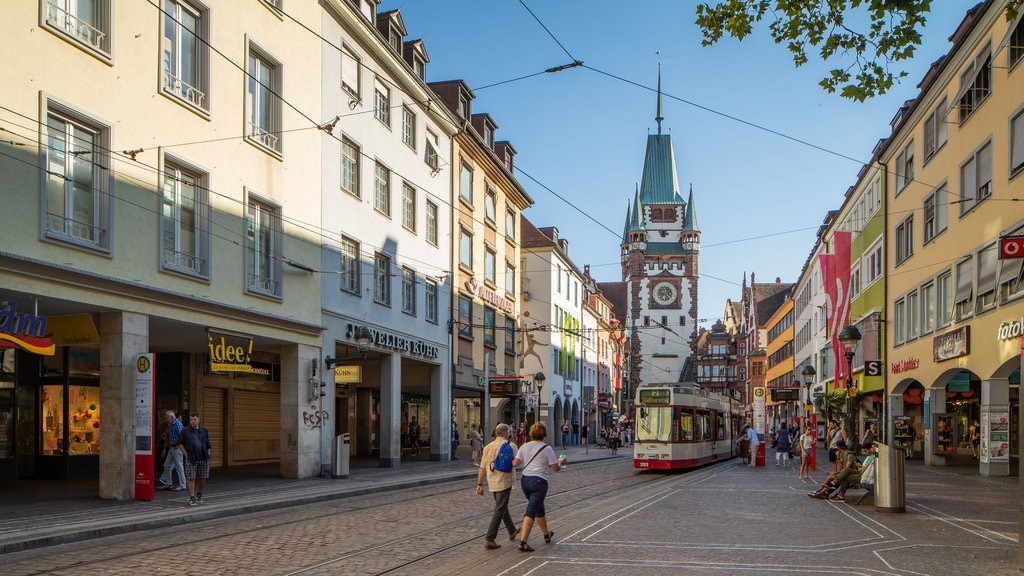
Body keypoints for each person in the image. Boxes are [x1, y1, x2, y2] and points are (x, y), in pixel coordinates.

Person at [512, 421, 566, 552]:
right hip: (539, 482)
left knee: (538, 508)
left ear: (531, 433)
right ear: (544, 434)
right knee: (531, 511)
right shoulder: (547, 448)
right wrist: (562, 463)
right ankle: (523, 543)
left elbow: (515, 463)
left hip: (525, 481)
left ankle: (546, 535)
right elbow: (555, 468)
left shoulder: (524, 446)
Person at [475, 423, 520, 550]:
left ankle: (512, 531)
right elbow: (517, 462)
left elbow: (482, 467)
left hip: (492, 481)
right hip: (505, 481)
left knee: (502, 506)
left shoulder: (488, 447)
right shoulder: (511, 445)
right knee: (500, 508)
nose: (510, 433)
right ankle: (490, 538)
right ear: (506, 433)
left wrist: (479, 484)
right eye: (509, 432)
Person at [180, 413, 211, 506]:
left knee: (203, 477)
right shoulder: (185, 431)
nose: (193, 421)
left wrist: (208, 456)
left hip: (203, 457)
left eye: (194, 419)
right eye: (191, 420)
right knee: (191, 478)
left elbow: (208, 445)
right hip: (191, 458)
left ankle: (199, 494)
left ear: (198, 420)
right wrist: (186, 455)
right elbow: (180, 444)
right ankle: (192, 497)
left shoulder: (204, 431)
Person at [159, 410, 185, 491]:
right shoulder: (171, 425)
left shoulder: (177, 424)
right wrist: (165, 448)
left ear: (171, 417)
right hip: (172, 448)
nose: (166, 419)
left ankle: (182, 485)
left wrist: (178, 444)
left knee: (179, 466)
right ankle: (169, 483)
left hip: (177, 448)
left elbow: (182, 435)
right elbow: (168, 437)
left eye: (167, 418)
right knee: (166, 465)